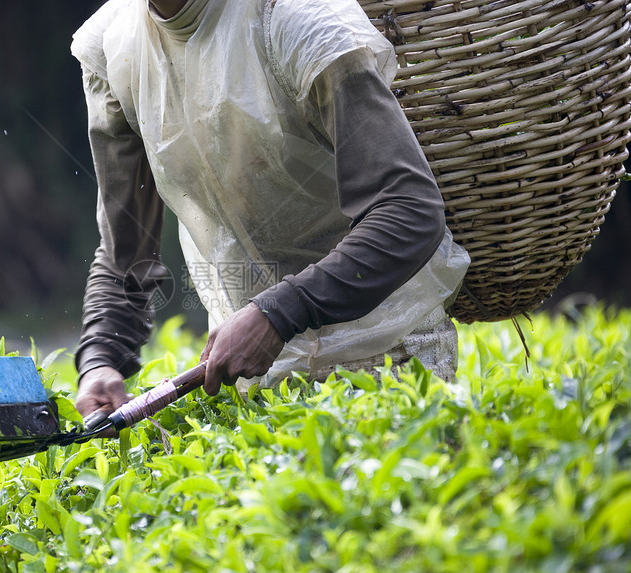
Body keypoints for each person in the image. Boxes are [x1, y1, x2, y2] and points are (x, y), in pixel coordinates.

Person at [70, 0, 470, 421]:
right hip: (249, 379)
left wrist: (278, 312)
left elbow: (409, 208)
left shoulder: (297, 19)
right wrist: (101, 356)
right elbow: (124, 254)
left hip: (387, 356)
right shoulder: (113, 48)